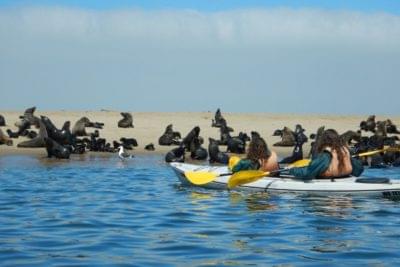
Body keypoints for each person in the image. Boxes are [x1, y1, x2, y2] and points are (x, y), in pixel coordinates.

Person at [289, 129, 363, 179]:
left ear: (323, 141)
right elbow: (359, 169)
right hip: (345, 183)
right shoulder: (344, 152)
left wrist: (292, 170)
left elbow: (307, 173)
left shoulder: (325, 156)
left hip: (329, 199)